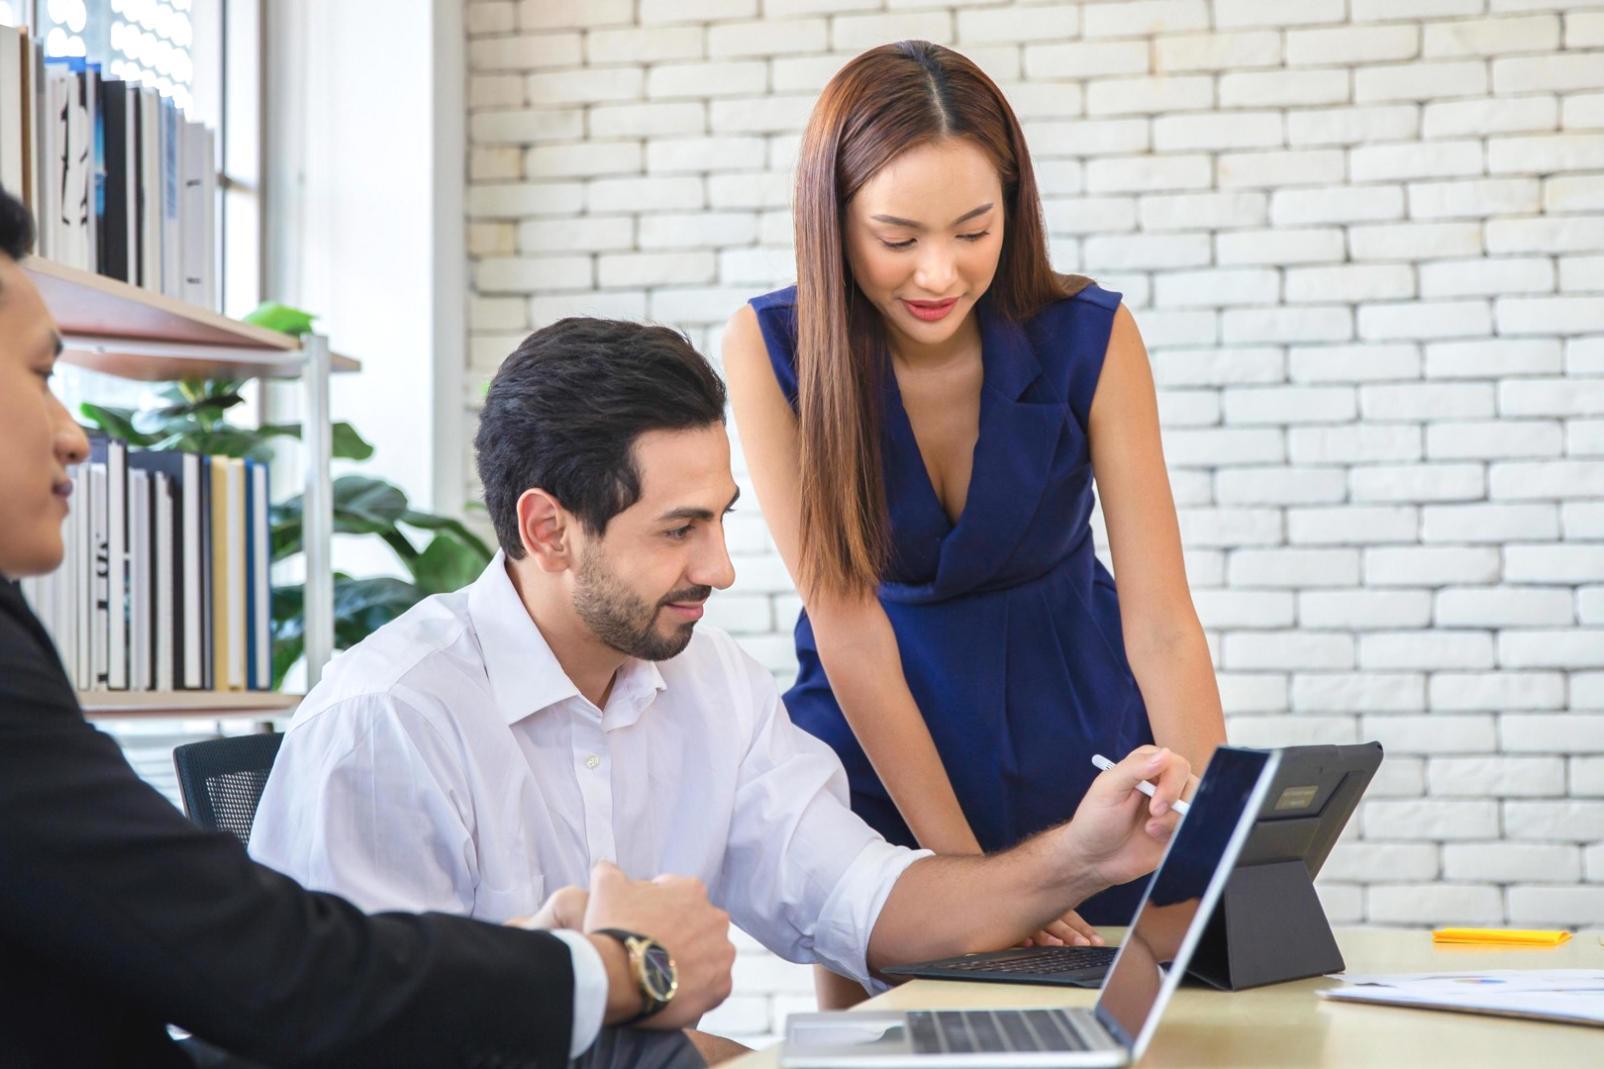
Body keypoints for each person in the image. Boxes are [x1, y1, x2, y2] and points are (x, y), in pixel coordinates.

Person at [248, 314, 1196, 1056]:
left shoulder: (710, 684)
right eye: (678, 529)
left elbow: (865, 900)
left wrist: (1080, 853)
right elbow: (367, 1037)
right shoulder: (390, 721)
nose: (723, 566)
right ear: (548, 530)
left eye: (722, 519)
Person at [0, 185, 732, 1069]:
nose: (74, 435)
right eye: (42, 375)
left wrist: (560, 971)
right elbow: (281, 977)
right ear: (549, 530)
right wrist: (623, 966)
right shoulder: (388, 706)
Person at [721, 41, 1227, 1006]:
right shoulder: (771, 348)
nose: (940, 273)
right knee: (901, 1028)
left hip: (1073, 720)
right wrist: (986, 890)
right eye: (897, 237)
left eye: (974, 230)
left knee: (1141, 1011)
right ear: (832, 223)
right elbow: (850, 625)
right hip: (883, 727)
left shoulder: (1091, 334)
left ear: (1013, 208)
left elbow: (1162, 621)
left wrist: (1217, 841)